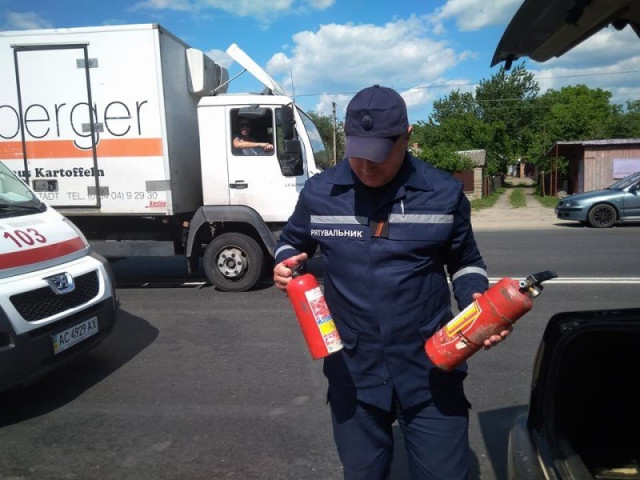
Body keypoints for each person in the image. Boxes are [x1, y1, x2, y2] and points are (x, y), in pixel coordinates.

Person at [273, 85, 510, 480]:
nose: (368, 167)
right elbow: (291, 242)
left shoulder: (443, 193)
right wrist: (284, 264)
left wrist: (476, 301)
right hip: (354, 372)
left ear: (407, 136)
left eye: (380, 154)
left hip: (431, 368)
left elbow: (466, 262)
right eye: (359, 153)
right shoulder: (320, 192)